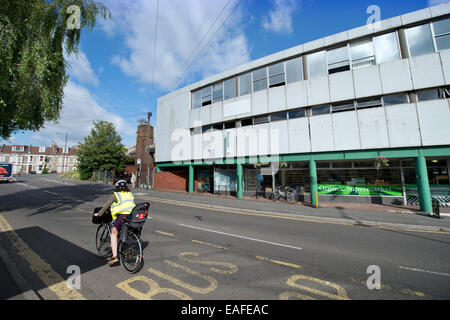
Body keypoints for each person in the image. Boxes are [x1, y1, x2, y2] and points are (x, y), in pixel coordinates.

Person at [94, 179, 135, 266]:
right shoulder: (130, 194)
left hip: (121, 216)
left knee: (113, 234)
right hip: (131, 216)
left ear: (117, 188)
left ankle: (115, 257)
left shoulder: (115, 194)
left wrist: (99, 214)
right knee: (125, 231)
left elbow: (106, 205)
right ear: (126, 187)